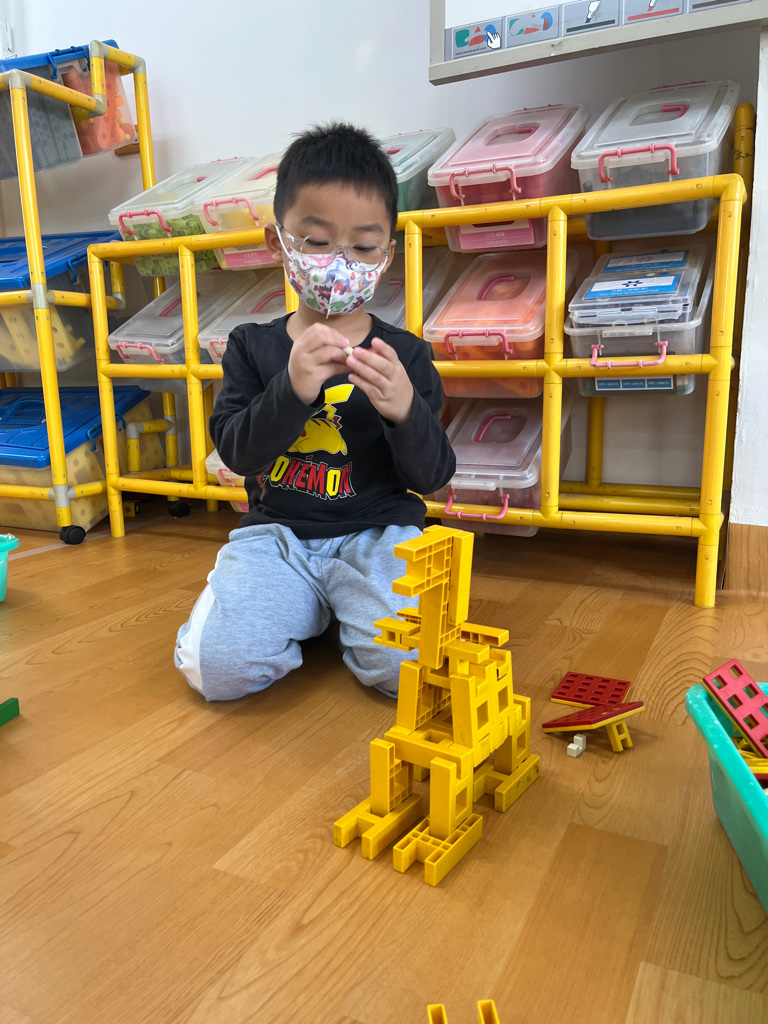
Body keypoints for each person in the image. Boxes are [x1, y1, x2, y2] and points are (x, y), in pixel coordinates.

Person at [174, 122, 456, 701]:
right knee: (217, 671)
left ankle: (327, 609)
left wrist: (405, 411)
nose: (340, 262)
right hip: (277, 536)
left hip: (378, 535)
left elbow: (431, 477)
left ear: (387, 254)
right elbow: (237, 453)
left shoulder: (405, 355)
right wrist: (291, 390)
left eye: (363, 247)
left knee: (410, 675)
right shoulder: (251, 346)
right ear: (278, 243)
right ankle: (305, 605)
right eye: (317, 241)